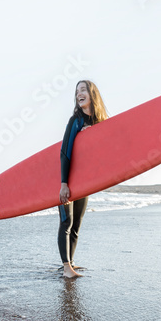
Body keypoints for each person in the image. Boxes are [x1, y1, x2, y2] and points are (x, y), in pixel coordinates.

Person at [58, 80, 108, 278]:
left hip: (84, 182)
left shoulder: (99, 123)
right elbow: (65, 152)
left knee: (76, 224)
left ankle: (71, 262)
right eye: (77, 91)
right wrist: (63, 184)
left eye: (83, 89)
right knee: (66, 222)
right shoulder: (75, 121)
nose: (79, 93)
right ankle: (66, 268)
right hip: (66, 179)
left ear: (91, 94)